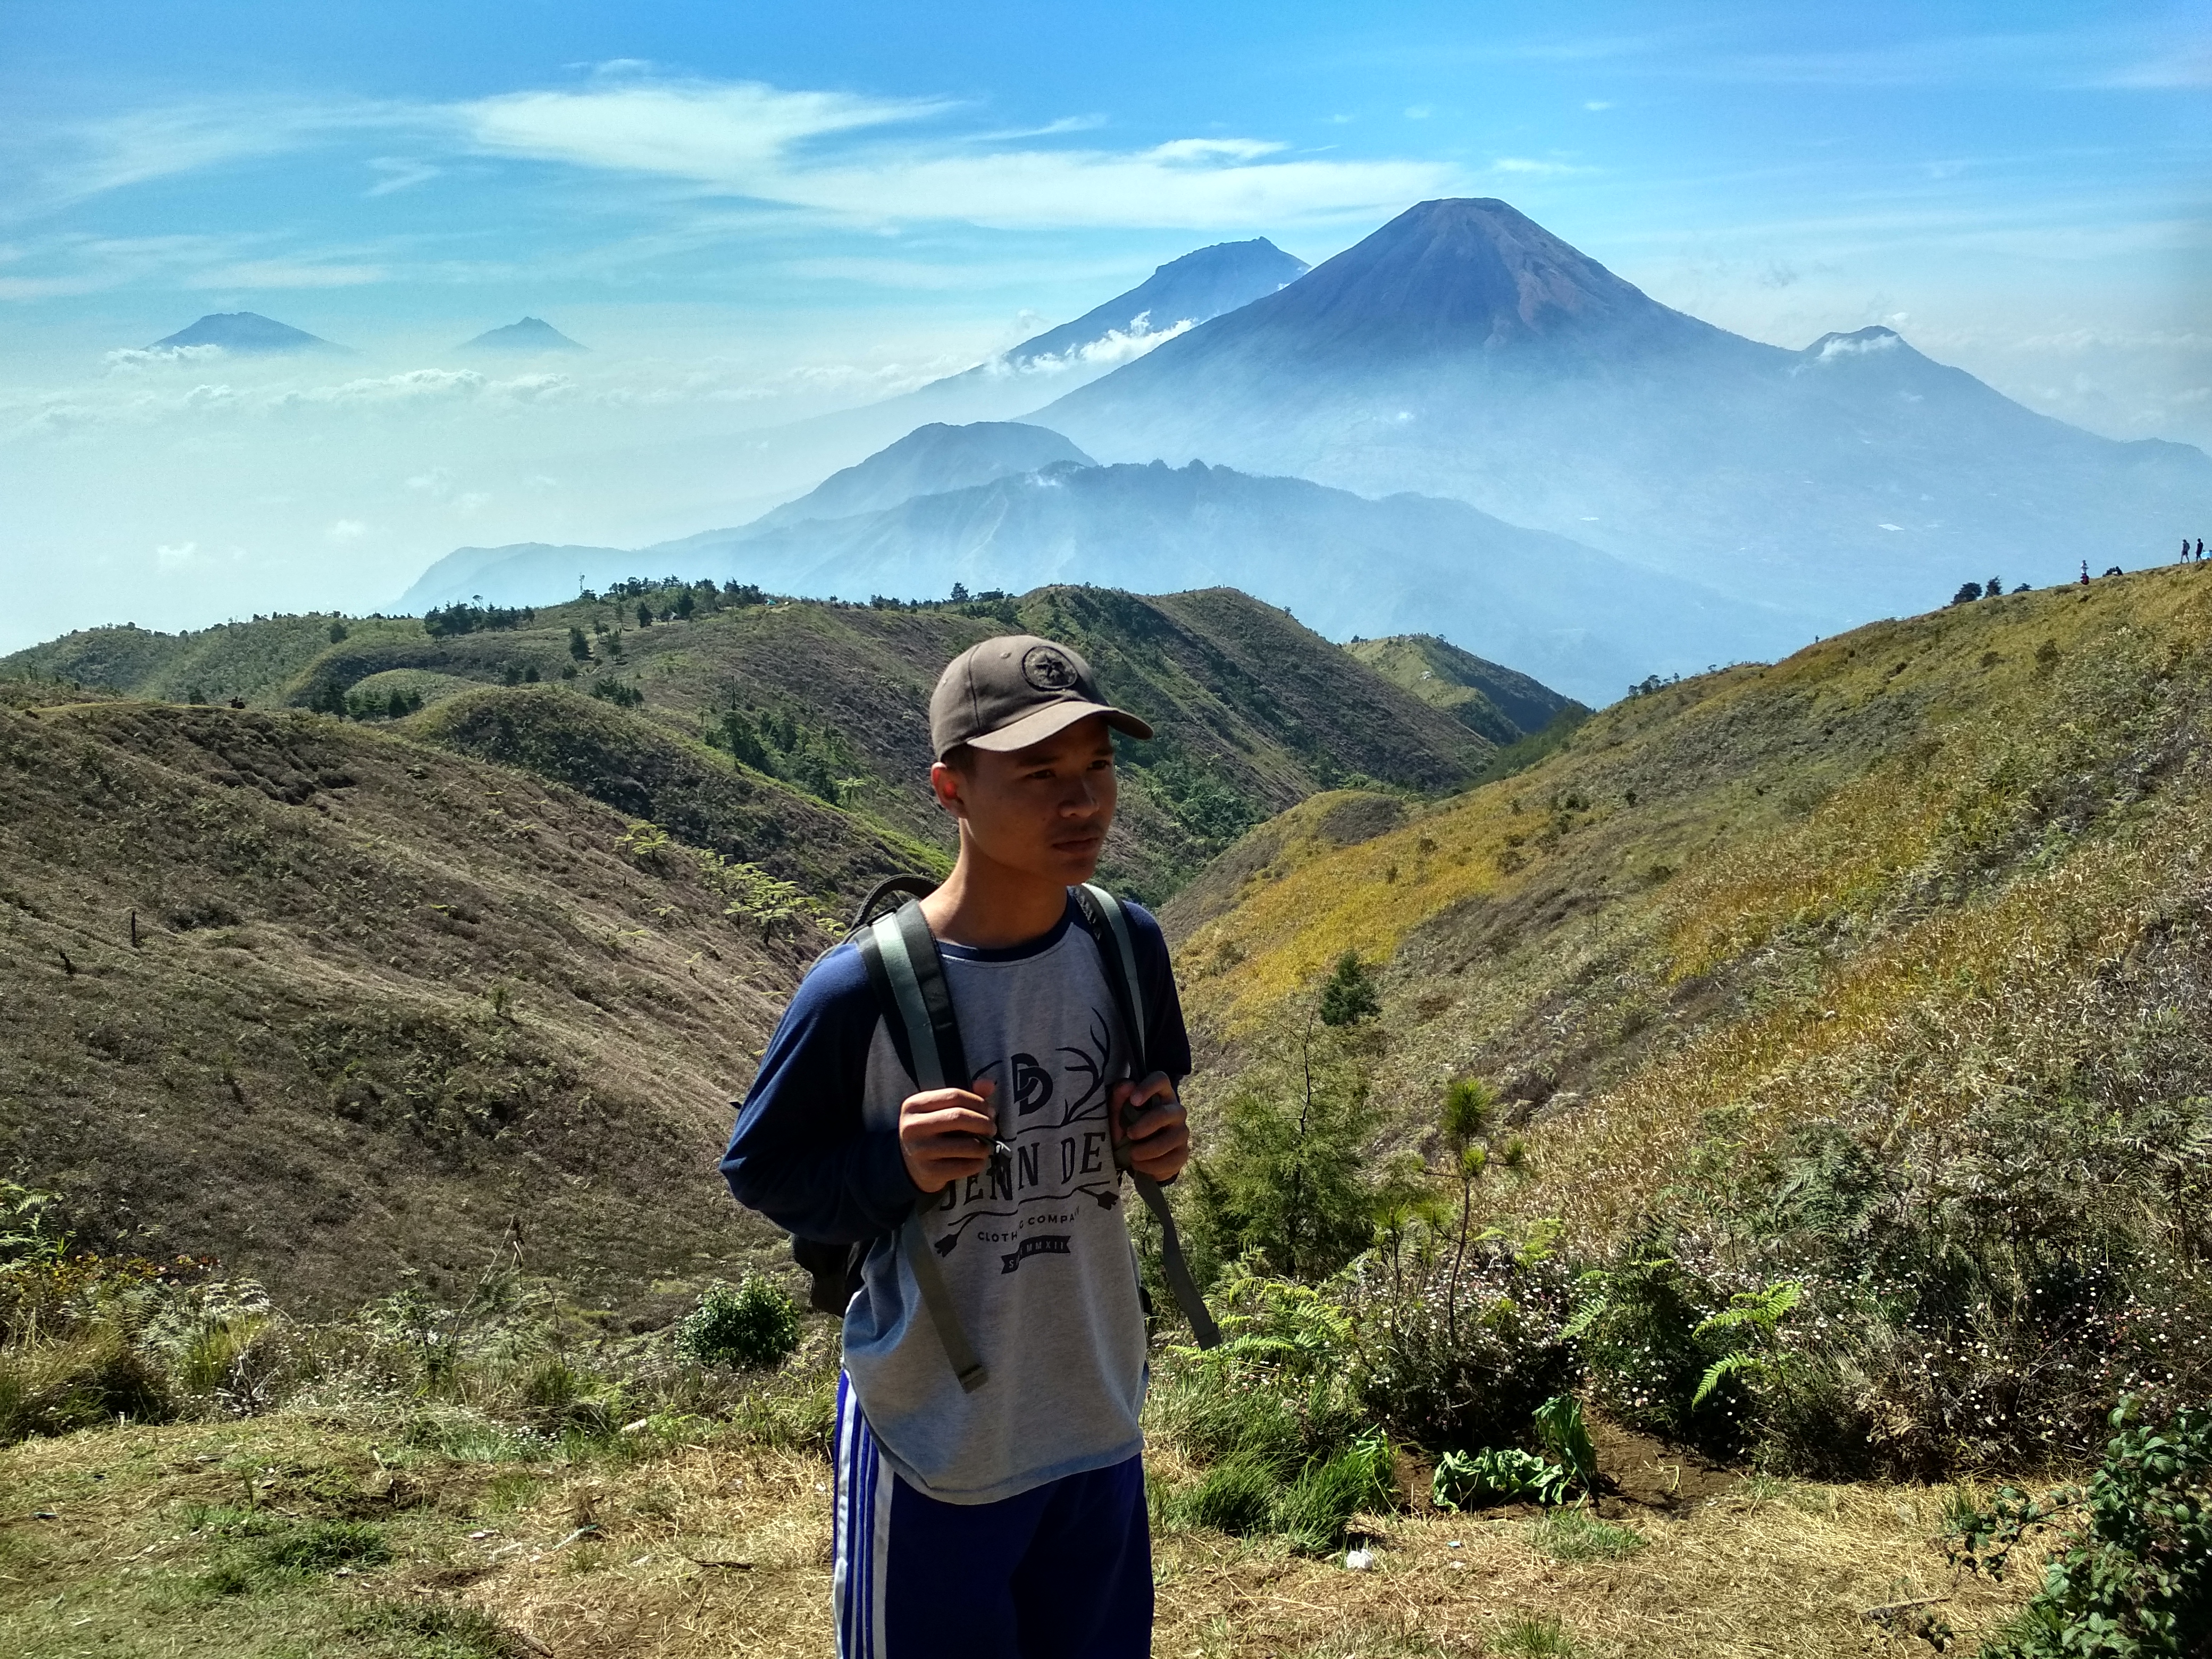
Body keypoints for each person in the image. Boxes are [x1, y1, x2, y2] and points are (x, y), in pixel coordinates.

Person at [720, 634, 1194, 1659]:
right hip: (934, 1439)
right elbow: (761, 1169)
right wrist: (892, 1164)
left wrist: (1159, 1146)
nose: (1083, 804)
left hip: (1097, 1416)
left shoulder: (1127, 945)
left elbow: (1150, 1128)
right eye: (1039, 775)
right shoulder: (857, 993)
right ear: (951, 790)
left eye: (1097, 768)